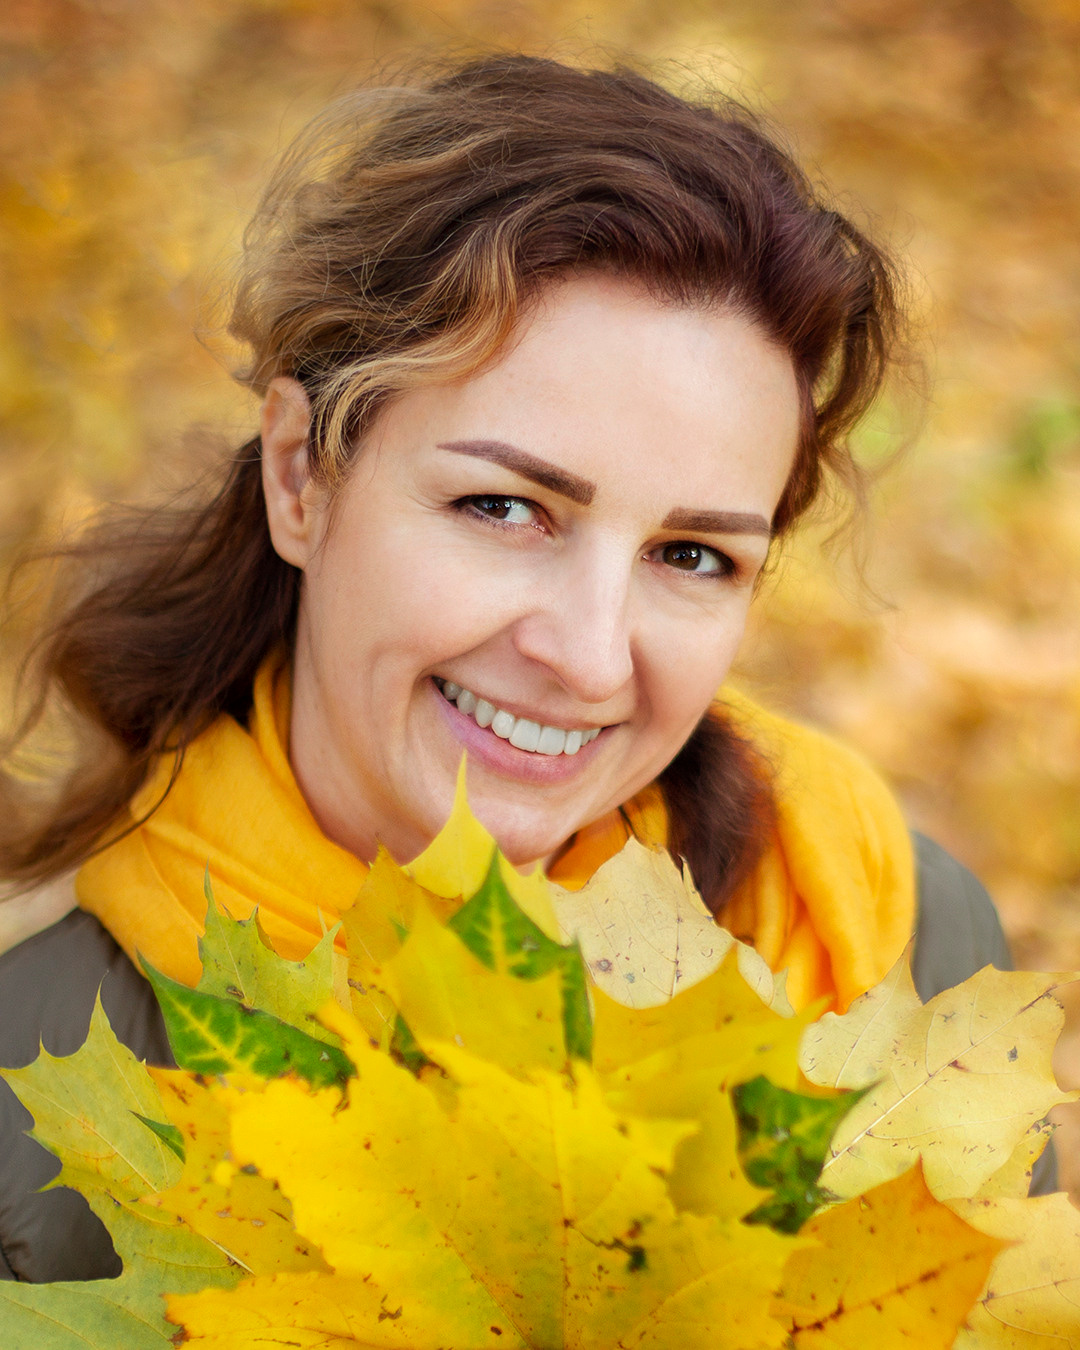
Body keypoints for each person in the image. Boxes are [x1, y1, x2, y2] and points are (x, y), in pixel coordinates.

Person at [0, 52, 1029, 1285]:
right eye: (502, 507)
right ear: (299, 478)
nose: (589, 657)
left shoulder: (892, 925)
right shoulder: (40, 1069)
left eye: (692, 554)